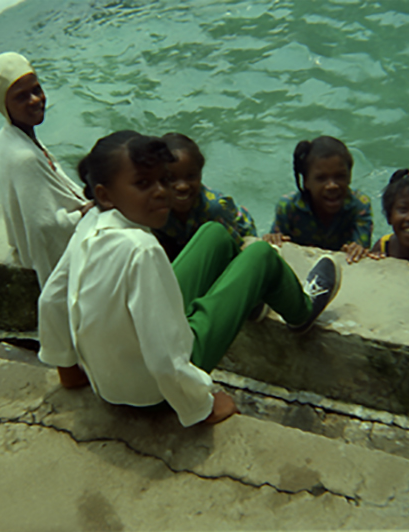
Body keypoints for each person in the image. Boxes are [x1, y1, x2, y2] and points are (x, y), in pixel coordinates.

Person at [37, 131, 342, 427]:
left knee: (215, 234)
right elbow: (163, 355)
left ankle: (248, 296)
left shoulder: (90, 223)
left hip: (106, 383)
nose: (160, 191)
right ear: (106, 194)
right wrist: (201, 405)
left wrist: (67, 368)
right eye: (143, 183)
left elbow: (52, 297)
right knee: (261, 253)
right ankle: (301, 310)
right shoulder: (142, 250)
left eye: (163, 180)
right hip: (150, 392)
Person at [0, 51, 92, 288]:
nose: (35, 100)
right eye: (21, 97)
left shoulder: (8, 136)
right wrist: (84, 213)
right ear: (3, 105)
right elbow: (44, 229)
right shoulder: (24, 158)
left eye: (36, 89)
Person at [264, 136, 373, 263]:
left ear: (349, 176)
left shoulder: (359, 206)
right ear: (306, 182)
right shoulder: (288, 207)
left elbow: (361, 250)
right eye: (321, 178)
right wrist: (273, 239)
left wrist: (357, 249)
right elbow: (276, 248)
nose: (332, 185)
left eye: (340, 176)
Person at [152, 133, 257, 261]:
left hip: (235, 231)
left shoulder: (214, 208)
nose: (182, 186)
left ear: (200, 174)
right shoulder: (155, 208)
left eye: (191, 176)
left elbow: (235, 247)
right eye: (171, 178)